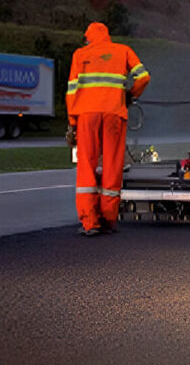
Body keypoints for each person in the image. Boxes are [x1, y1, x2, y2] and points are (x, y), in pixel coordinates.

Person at [66, 22, 150, 236]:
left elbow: (71, 92)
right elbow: (143, 76)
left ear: (88, 38)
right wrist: (131, 95)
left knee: (87, 165)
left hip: (86, 115)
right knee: (112, 164)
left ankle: (90, 222)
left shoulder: (80, 54)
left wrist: (73, 122)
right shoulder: (123, 51)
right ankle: (109, 219)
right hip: (114, 113)